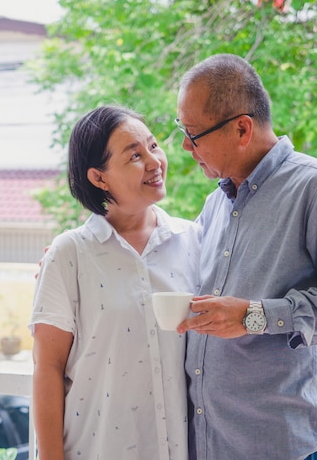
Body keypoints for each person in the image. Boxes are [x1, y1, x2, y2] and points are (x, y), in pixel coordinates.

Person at [174, 53, 317, 460]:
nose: (185, 146)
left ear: (241, 128)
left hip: (280, 449)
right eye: (181, 130)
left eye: (194, 133)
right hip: (209, 443)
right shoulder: (215, 203)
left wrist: (254, 315)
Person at [30, 105, 201, 459]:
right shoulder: (69, 254)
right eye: (135, 155)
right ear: (99, 178)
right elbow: (47, 370)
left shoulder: (195, 241)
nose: (154, 162)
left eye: (153, 146)